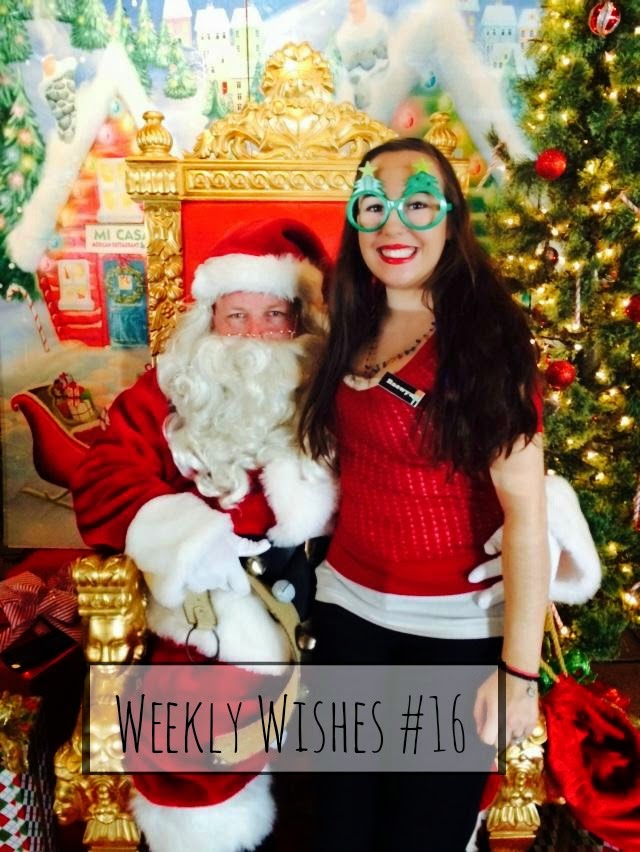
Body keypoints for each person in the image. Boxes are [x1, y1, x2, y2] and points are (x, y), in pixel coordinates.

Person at [298, 137, 552, 852]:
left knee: (422, 837)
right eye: (372, 205)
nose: (392, 224)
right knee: (340, 829)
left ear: (450, 217)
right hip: (346, 611)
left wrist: (518, 674)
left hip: (453, 631)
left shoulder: (487, 342)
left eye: (416, 203)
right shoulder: (349, 320)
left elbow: (526, 516)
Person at [70, 218, 337, 852]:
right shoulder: (165, 391)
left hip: (334, 600)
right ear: (209, 318)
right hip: (211, 612)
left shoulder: (335, 389)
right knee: (186, 724)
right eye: (236, 316)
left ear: (300, 322)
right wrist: (187, 536)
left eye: (274, 316)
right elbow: (104, 478)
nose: (254, 335)